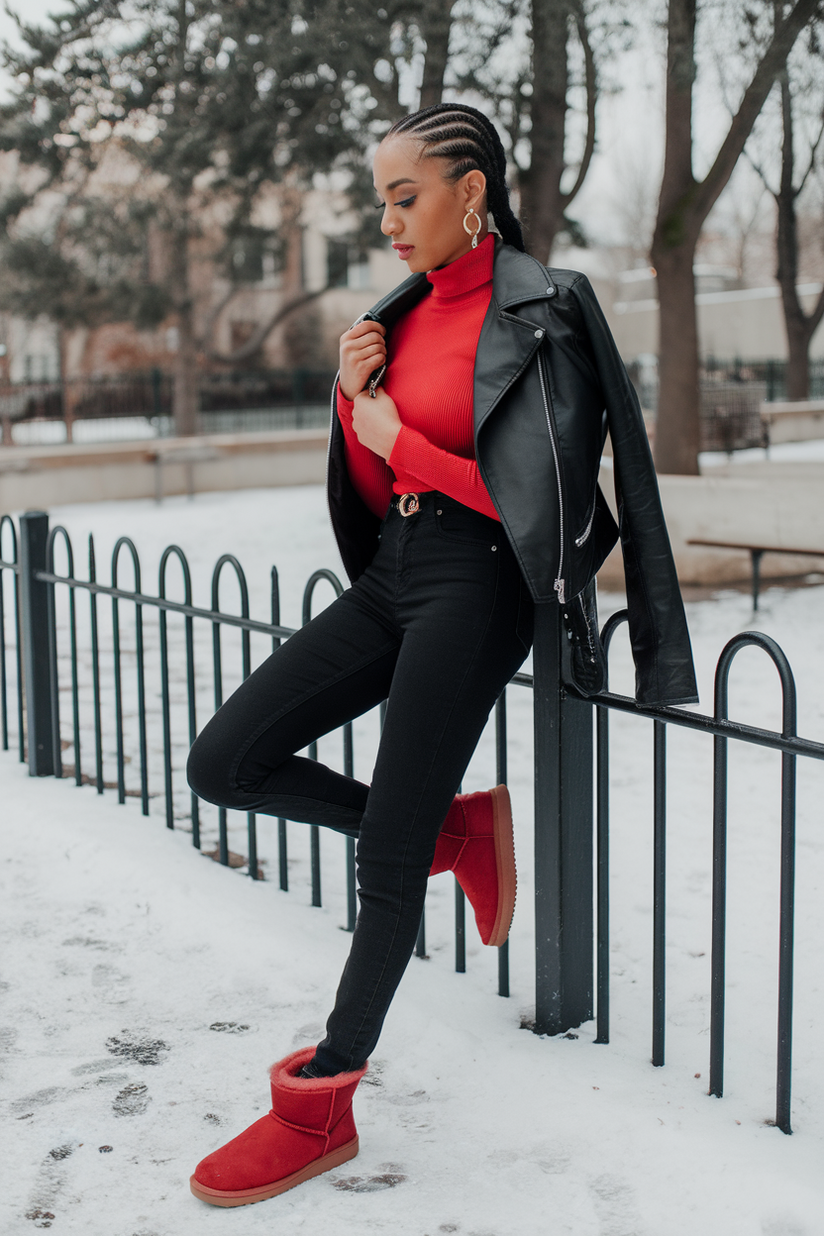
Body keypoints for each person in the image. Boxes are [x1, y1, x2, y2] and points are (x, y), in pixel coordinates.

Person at [186, 102, 697, 1210]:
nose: (385, 222)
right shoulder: (398, 315)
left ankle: (320, 1102)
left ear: (470, 190)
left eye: (401, 196)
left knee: (381, 864)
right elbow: (378, 493)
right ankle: (456, 829)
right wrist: (353, 396)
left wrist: (398, 439)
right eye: (379, 198)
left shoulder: (545, 308)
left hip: (478, 587)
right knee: (224, 760)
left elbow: (544, 510)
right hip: (394, 574)